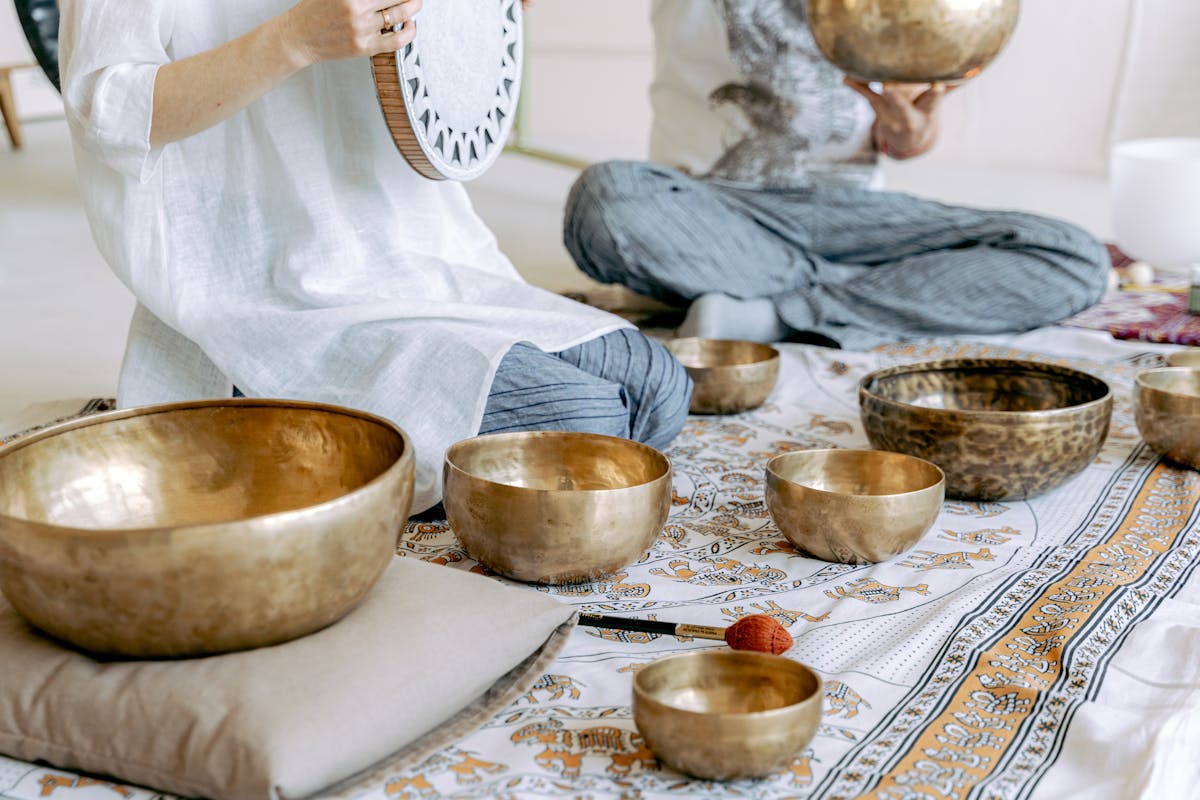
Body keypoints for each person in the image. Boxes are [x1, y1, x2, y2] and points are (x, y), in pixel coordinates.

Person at [57, 0, 691, 514]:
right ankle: (253, 390)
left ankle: (330, 411)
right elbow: (105, 105)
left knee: (659, 389)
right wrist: (295, 38)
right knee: (588, 420)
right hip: (262, 283)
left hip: (409, 248)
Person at [563, 0, 1111, 349]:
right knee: (606, 196)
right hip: (718, 213)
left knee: (1075, 258)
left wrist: (909, 129)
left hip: (859, 221)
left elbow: (907, 137)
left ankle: (777, 312)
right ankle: (891, 294)